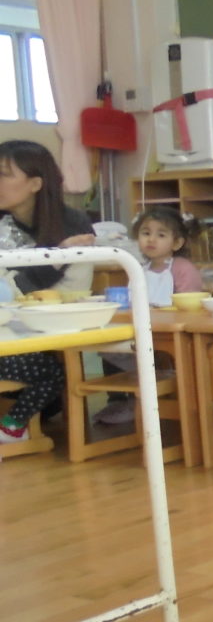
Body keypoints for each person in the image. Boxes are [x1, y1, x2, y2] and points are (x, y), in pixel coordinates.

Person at [0, 141, 94, 444]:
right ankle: (14, 425)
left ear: (35, 184)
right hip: (10, 329)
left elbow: (64, 291)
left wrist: (53, 260)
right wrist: (55, 259)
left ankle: (13, 425)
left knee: (52, 376)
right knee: (50, 375)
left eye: (3, 174)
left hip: (47, 326)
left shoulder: (72, 224)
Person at [94, 207, 204, 425]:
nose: (151, 239)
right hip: (142, 334)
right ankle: (120, 399)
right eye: (146, 233)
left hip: (171, 338)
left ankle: (148, 397)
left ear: (177, 243)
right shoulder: (137, 268)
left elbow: (189, 305)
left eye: (161, 234)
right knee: (108, 346)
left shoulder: (182, 268)